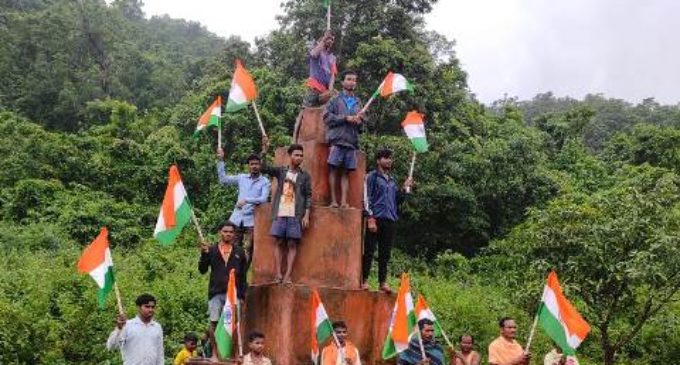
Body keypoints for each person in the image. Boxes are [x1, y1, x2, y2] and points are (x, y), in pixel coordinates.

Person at [362, 148, 414, 292]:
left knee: (385, 253)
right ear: (378, 160)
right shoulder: (372, 177)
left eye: (390, 158)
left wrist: (405, 188)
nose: (389, 160)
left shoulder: (392, 180)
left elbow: (397, 201)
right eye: (386, 158)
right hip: (375, 218)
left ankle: (382, 282)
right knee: (369, 251)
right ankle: (364, 280)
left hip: (390, 219)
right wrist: (370, 217)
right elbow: (366, 198)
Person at [261, 139, 312, 284]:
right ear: (290, 156)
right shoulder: (281, 171)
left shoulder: (304, 176)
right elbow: (264, 168)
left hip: (296, 214)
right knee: (278, 242)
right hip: (280, 211)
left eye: (301, 155)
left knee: (292, 244)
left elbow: (309, 195)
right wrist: (264, 151)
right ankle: (278, 274)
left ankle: (288, 275)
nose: (299, 158)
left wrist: (306, 215)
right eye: (296, 155)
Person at [198, 222, 248, 361]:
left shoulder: (239, 252)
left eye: (231, 232)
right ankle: (215, 354)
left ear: (234, 234)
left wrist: (243, 295)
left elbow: (243, 275)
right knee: (213, 323)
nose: (228, 234)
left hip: (234, 294)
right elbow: (202, 270)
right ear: (220, 232)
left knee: (235, 324)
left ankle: (236, 354)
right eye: (225, 231)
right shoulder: (212, 250)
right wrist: (203, 255)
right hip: (215, 292)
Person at [216, 147, 271, 266]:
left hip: (251, 222)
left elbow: (263, 199)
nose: (254, 166)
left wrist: (247, 200)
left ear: (260, 165)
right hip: (236, 220)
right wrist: (220, 160)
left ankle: (241, 277)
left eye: (256, 164)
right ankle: (229, 275)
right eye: (252, 164)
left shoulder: (265, 181)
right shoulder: (242, 178)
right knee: (231, 248)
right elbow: (223, 180)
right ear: (248, 166)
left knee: (247, 251)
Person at [323, 70, 365, 208]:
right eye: (349, 79)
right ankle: (334, 201)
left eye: (354, 80)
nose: (352, 82)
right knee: (333, 169)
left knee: (346, 172)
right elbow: (326, 117)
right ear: (342, 82)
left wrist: (360, 121)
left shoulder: (358, 102)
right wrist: (345, 118)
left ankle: (343, 202)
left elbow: (362, 127)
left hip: (351, 141)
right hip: (337, 140)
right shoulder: (335, 100)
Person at [293, 30, 338, 142]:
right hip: (314, 89)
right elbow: (313, 54)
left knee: (334, 105)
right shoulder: (317, 51)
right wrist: (323, 39)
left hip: (325, 92)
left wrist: (330, 91)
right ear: (321, 39)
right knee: (303, 113)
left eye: (332, 39)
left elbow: (332, 75)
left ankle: (330, 139)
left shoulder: (332, 57)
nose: (330, 41)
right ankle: (294, 141)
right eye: (328, 38)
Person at [106, 294, 164, 365]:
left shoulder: (157, 327)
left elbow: (160, 353)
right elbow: (111, 346)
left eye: (152, 307)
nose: (150, 310)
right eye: (147, 306)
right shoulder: (127, 326)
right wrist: (119, 329)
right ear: (138, 307)